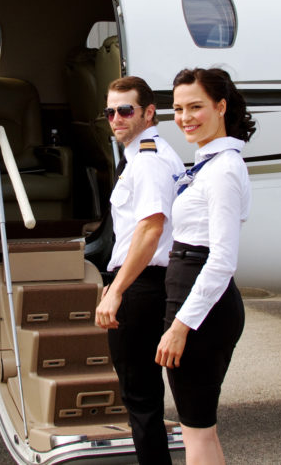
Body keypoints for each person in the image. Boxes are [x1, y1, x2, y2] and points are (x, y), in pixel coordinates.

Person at [155, 67, 255, 465]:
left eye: (196, 106)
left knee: (195, 432)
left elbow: (222, 260)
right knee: (201, 429)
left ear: (221, 107)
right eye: (178, 109)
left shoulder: (225, 170)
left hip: (202, 310)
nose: (185, 118)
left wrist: (181, 326)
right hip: (192, 299)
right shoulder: (208, 165)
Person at [95, 76, 184, 464]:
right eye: (110, 111)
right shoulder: (150, 154)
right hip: (154, 281)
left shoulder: (146, 161)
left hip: (142, 286)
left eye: (125, 110)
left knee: (140, 398)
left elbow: (150, 228)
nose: (116, 118)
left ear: (149, 113)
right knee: (148, 397)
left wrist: (116, 289)